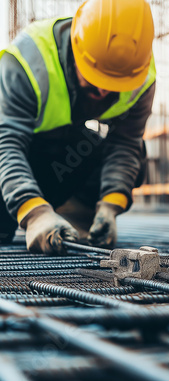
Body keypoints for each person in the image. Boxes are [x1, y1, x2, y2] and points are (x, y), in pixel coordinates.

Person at [0, 0, 156, 254]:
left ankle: (74, 216)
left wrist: (110, 205)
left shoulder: (139, 74)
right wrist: (33, 210)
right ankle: (35, 215)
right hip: (25, 161)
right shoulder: (27, 61)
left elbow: (125, 145)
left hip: (67, 162)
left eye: (115, 84)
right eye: (94, 77)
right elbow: (6, 144)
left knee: (137, 150)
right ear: (75, 48)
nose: (103, 90)